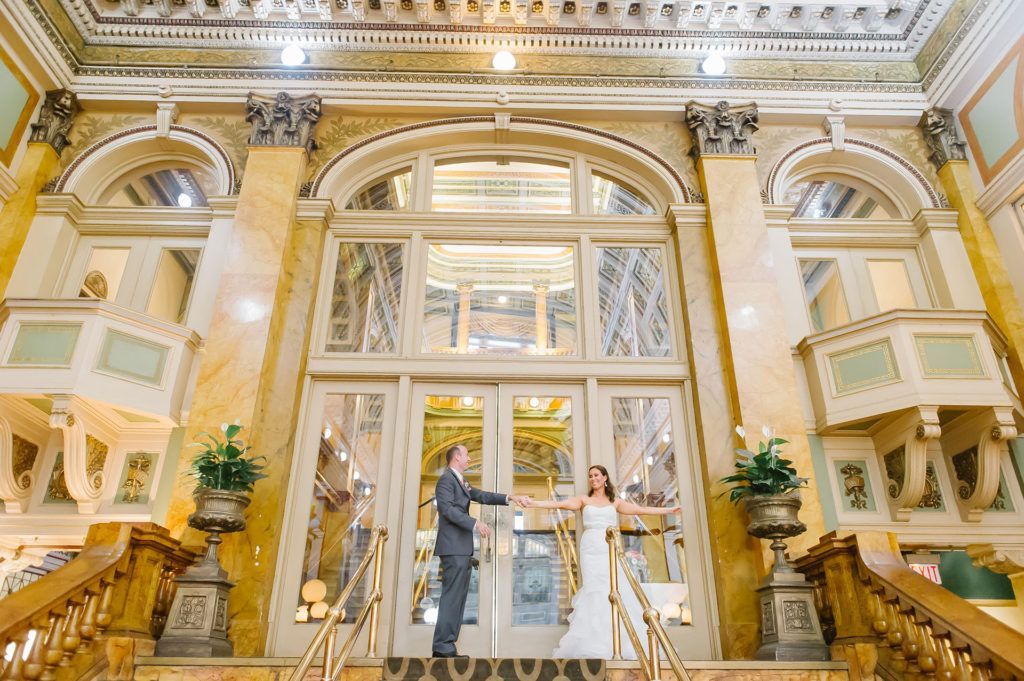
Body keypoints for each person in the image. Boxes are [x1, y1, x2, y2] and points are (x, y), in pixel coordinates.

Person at [525, 464, 680, 659]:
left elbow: (639, 509)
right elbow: (560, 504)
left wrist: (668, 511)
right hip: (590, 548)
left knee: (614, 587)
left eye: (596, 475)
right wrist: (533, 504)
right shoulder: (584, 500)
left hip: (609, 546)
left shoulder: (614, 502)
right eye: (590, 476)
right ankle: (595, 642)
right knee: (595, 589)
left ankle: (622, 642)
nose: (593, 479)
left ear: (605, 477)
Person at [431, 443, 529, 658]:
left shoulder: (459, 480)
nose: (469, 458)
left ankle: (447, 646)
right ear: (456, 457)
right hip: (453, 548)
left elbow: (481, 495)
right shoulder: (446, 480)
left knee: (457, 599)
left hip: (461, 549)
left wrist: (510, 498)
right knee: (451, 598)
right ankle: (442, 646)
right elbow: (447, 510)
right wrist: (475, 523)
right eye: (466, 454)